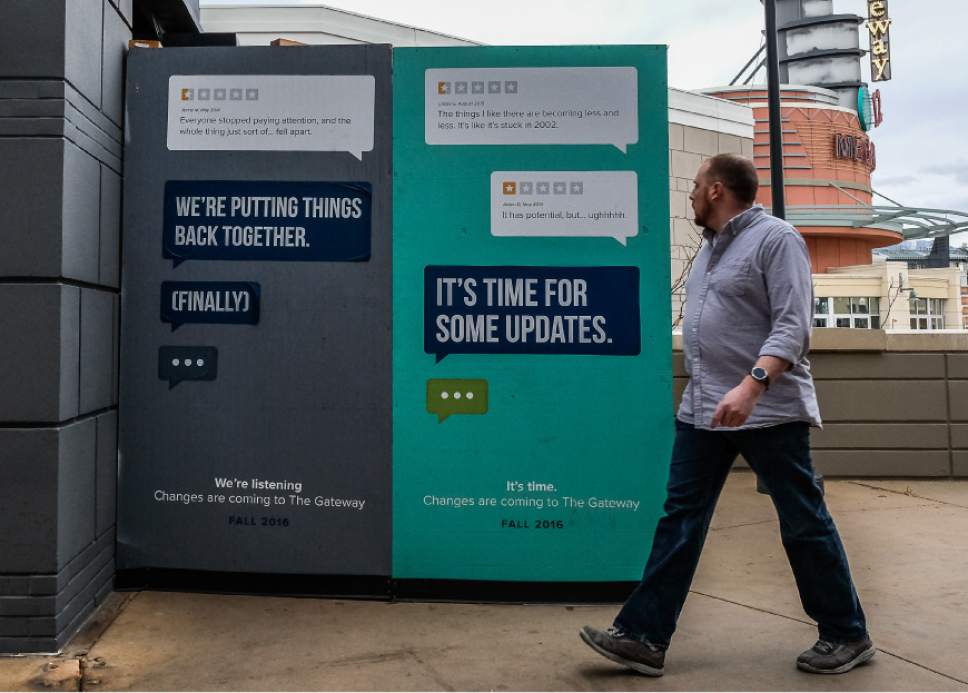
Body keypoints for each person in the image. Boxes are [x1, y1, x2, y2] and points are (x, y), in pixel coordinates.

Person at [579, 153, 873, 676]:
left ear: (717, 190)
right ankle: (645, 635)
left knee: (802, 520)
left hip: (767, 409)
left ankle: (847, 633)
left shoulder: (776, 239)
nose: (690, 194)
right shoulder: (714, 248)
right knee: (681, 518)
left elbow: (793, 326)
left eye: (695, 186)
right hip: (705, 407)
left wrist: (752, 385)